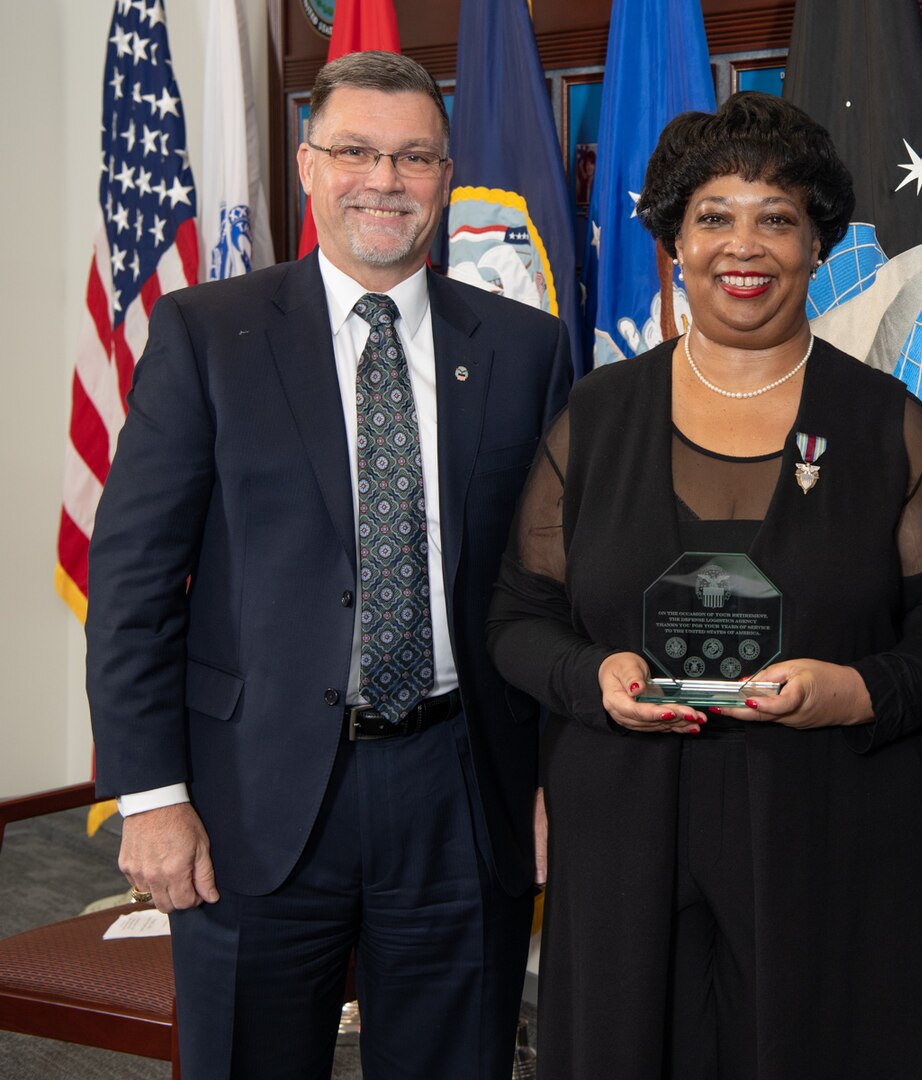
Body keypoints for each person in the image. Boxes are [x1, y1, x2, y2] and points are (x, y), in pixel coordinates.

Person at [487, 91, 922, 1080]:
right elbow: (520, 614)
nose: (746, 245)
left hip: (833, 831)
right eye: (714, 216)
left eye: (779, 218)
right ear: (673, 243)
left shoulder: (888, 427)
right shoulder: (596, 420)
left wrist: (861, 691)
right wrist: (588, 677)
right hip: (627, 830)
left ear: (819, 246)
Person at [85, 51, 570, 1080]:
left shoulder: (528, 349)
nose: (383, 180)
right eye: (355, 151)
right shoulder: (209, 335)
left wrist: (550, 779)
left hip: (462, 785)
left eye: (412, 157)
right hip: (247, 798)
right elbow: (131, 584)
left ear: (446, 175)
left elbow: (552, 586)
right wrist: (151, 796)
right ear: (308, 165)